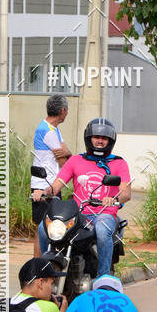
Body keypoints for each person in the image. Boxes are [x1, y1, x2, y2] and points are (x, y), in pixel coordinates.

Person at [33, 118, 131, 278]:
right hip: (79, 215)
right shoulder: (76, 160)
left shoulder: (118, 163)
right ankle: (47, 271)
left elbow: (126, 192)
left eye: (104, 138)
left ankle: (103, 278)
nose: (100, 141)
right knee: (44, 229)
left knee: (102, 229)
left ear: (110, 141)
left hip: (105, 214)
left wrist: (114, 198)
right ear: (89, 138)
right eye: (96, 137)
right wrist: (44, 191)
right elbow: (56, 185)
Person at [31, 94, 71, 256]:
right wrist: (68, 153)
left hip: (53, 185)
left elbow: (65, 153)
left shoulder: (53, 129)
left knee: (54, 227)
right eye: (66, 110)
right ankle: (37, 265)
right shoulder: (46, 131)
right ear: (62, 111)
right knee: (43, 228)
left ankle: (48, 264)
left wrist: (68, 152)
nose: (66, 113)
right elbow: (64, 162)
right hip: (43, 186)